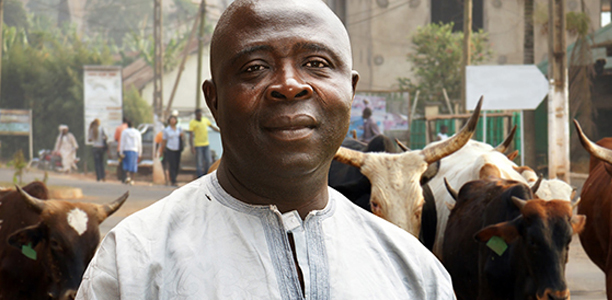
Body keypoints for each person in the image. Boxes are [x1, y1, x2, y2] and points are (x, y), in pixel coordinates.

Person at [78, 1, 454, 299]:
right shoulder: (133, 264)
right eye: (254, 68)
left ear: (351, 91)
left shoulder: (415, 273)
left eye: (317, 64)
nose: (290, 85)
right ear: (214, 102)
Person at [188, 108, 220, 178]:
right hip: (198, 145)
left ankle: (207, 175)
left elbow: (212, 127)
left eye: (200, 115)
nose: (199, 116)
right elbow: (190, 135)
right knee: (199, 163)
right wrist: (192, 147)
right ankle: (200, 177)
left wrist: (220, 131)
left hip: (206, 144)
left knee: (208, 161)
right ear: (196, 115)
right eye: (198, 115)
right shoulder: (192, 123)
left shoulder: (205, 120)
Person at [159, 115, 183, 186]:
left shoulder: (179, 129)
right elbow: (164, 140)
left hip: (177, 149)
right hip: (170, 148)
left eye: (174, 119)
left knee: (177, 165)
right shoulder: (166, 130)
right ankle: (173, 180)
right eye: (171, 120)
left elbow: (181, 138)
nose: (173, 121)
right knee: (172, 165)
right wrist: (162, 150)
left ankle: (174, 177)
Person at [119, 120, 142, 185]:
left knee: (126, 164)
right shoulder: (137, 132)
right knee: (133, 165)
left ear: (127, 125)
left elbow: (122, 142)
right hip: (135, 150)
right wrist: (140, 153)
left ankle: (127, 176)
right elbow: (139, 143)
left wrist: (121, 152)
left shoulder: (124, 132)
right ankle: (132, 179)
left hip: (126, 150)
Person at [114, 118, 130, 183]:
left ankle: (122, 178)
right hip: (128, 149)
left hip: (119, 149)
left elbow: (116, 138)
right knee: (127, 163)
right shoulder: (129, 128)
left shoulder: (119, 128)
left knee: (121, 164)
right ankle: (127, 177)